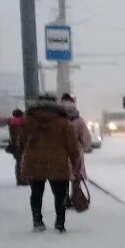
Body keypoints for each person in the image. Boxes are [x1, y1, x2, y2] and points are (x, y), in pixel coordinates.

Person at [20, 95, 80, 233]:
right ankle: (59, 223)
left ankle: (37, 221)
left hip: (34, 161)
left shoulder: (28, 120)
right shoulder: (64, 122)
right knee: (60, 194)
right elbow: (72, 145)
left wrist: (22, 157)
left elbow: (21, 141)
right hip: (58, 162)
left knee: (36, 193)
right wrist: (75, 161)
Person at [59, 94, 92, 183]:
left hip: (59, 153)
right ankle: (75, 194)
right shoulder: (78, 120)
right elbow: (86, 137)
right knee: (76, 177)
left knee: (61, 182)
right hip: (76, 152)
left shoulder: (56, 119)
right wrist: (87, 147)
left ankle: (64, 196)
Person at [7, 108, 27, 186]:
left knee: (18, 163)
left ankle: (19, 180)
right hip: (22, 144)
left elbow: (13, 135)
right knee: (24, 163)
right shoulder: (22, 122)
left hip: (15, 145)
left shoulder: (11, 122)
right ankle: (23, 179)